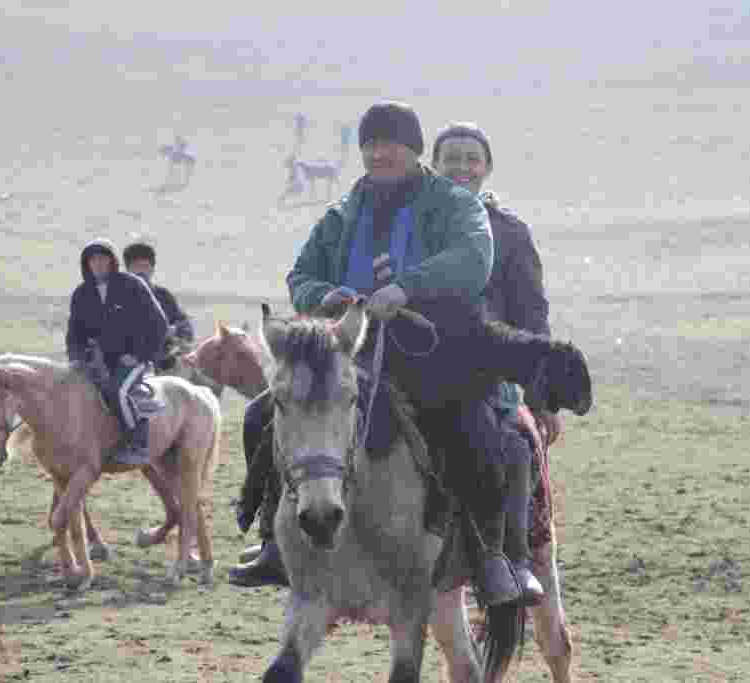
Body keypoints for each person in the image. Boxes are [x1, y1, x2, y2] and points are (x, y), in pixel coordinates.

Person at [228, 102, 592, 607]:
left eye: (391, 144)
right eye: (371, 145)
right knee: (262, 414)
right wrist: (328, 296)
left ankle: (493, 557)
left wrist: (406, 289)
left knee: (477, 431)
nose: (380, 153)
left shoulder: (453, 206)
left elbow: (471, 260)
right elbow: (300, 276)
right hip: (354, 351)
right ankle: (274, 538)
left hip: (437, 351)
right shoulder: (342, 214)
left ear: (413, 150)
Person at [431, 121, 556, 604]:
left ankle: (509, 559)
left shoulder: (509, 232)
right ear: (433, 165)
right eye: (451, 157)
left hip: (485, 375)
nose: (461, 166)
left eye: (471, 157)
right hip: (412, 367)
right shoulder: (410, 224)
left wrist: (541, 394)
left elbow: (531, 315)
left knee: (513, 448)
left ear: (485, 167)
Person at [66, 238, 168, 465]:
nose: (98, 264)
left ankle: (138, 443)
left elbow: (159, 323)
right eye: (93, 260)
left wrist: (140, 355)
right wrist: (76, 358)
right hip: (98, 362)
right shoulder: (81, 294)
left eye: (103, 259)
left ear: (112, 261)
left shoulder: (132, 285)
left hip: (133, 360)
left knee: (118, 392)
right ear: (86, 264)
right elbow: (74, 333)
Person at [122, 241, 195, 371]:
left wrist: (174, 330)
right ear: (127, 270)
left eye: (145, 266)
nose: (140, 271)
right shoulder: (117, 297)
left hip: (164, 363)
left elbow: (185, 326)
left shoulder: (163, 295)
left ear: (152, 269)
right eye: (136, 266)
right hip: (128, 363)